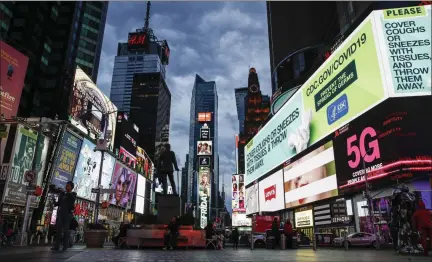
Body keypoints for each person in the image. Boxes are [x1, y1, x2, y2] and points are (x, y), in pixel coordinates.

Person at [51, 181, 77, 251]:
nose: (66, 187)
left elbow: (72, 198)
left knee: (65, 230)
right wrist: (53, 198)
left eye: (68, 186)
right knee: (59, 230)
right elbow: (57, 204)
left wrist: (64, 192)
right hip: (60, 214)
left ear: (71, 187)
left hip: (67, 215)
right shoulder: (62, 195)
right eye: (66, 185)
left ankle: (65, 246)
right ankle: (56, 246)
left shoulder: (73, 194)